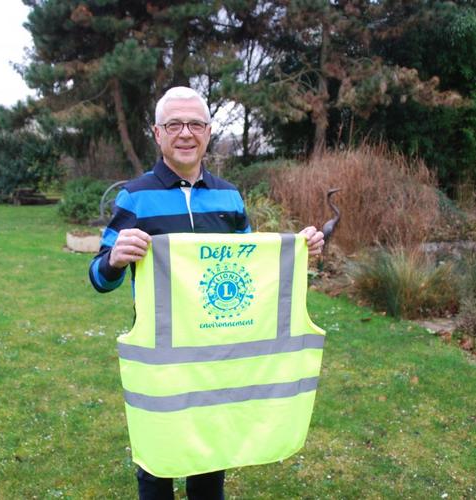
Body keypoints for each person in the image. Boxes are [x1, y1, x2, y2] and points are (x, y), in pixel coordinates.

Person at [89, 86, 324, 500]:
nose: (185, 133)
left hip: (219, 356)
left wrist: (298, 251)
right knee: (156, 464)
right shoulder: (136, 196)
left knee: (210, 460)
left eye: (195, 123)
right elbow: (98, 277)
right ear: (157, 133)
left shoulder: (229, 197)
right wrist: (114, 261)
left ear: (209, 132)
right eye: (174, 124)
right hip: (161, 357)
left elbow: (254, 267)